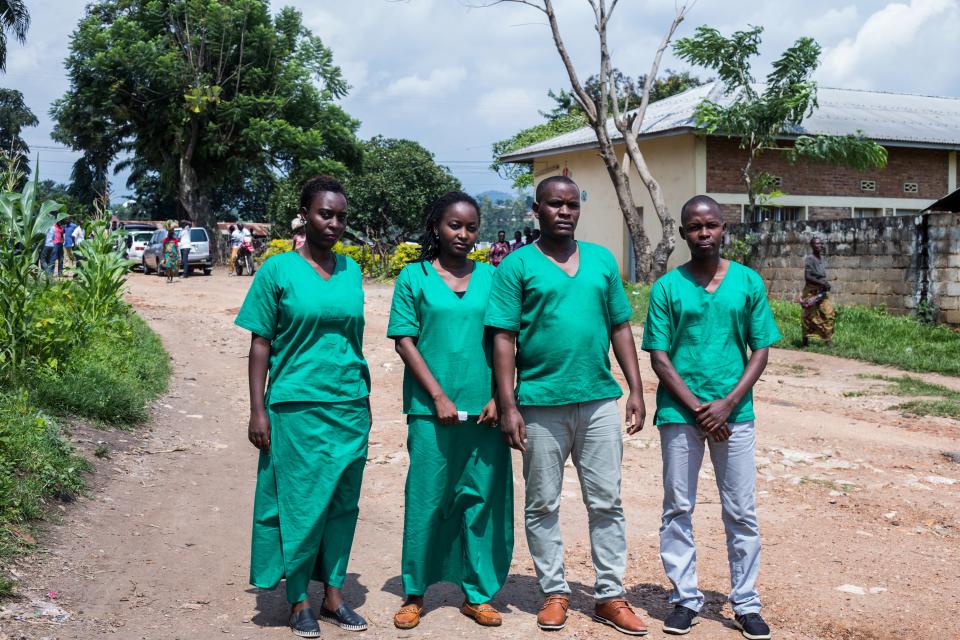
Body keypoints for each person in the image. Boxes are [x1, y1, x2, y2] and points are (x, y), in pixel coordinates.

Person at [484, 176, 648, 636]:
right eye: (554, 204)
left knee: (608, 502)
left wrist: (635, 389)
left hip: (598, 401)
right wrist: (508, 403)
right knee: (541, 504)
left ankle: (610, 596)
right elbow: (502, 337)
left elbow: (620, 328)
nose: (564, 212)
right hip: (538, 404)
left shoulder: (601, 261)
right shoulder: (516, 266)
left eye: (572, 204)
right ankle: (554, 591)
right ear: (536, 209)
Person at [235, 175, 371, 638]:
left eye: (340, 216)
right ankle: (297, 602)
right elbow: (260, 344)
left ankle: (333, 595)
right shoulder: (277, 270)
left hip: (351, 406)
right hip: (295, 407)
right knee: (300, 505)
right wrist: (258, 409)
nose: (333, 223)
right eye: (324, 214)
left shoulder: (352, 270)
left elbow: (352, 340)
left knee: (341, 504)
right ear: (305, 215)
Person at [641, 195, 779, 640]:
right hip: (680, 415)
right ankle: (685, 598)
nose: (704, 233)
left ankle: (745, 602)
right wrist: (700, 409)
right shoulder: (667, 287)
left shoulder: (747, 282)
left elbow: (760, 350)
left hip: (735, 415)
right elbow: (659, 357)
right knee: (677, 507)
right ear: (682, 234)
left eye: (711, 225)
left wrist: (726, 404)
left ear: (724, 230)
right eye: (694, 227)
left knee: (741, 510)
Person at [389, 192, 513, 630]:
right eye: (454, 226)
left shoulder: (494, 278)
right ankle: (415, 591)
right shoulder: (413, 277)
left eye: (471, 226)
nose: (463, 234)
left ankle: (477, 594)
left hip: (486, 411)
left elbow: (505, 338)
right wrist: (438, 396)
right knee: (427, 497)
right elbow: (405, 341)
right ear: (436, 227)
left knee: (480, 498)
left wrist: (502, 396)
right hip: (429, 410)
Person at [802, 237, 834, 348]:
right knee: (808, 317)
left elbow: (821, 277)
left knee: (828, 314)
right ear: (812, 245)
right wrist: (822, 283)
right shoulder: (810, 259)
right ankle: (805, 341)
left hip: (821, 291)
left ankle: (828, 339)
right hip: (811, 291)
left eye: (821, 243)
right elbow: (807, 277)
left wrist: (825, 284)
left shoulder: (821, 259)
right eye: (817, 244)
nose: (820, 245)